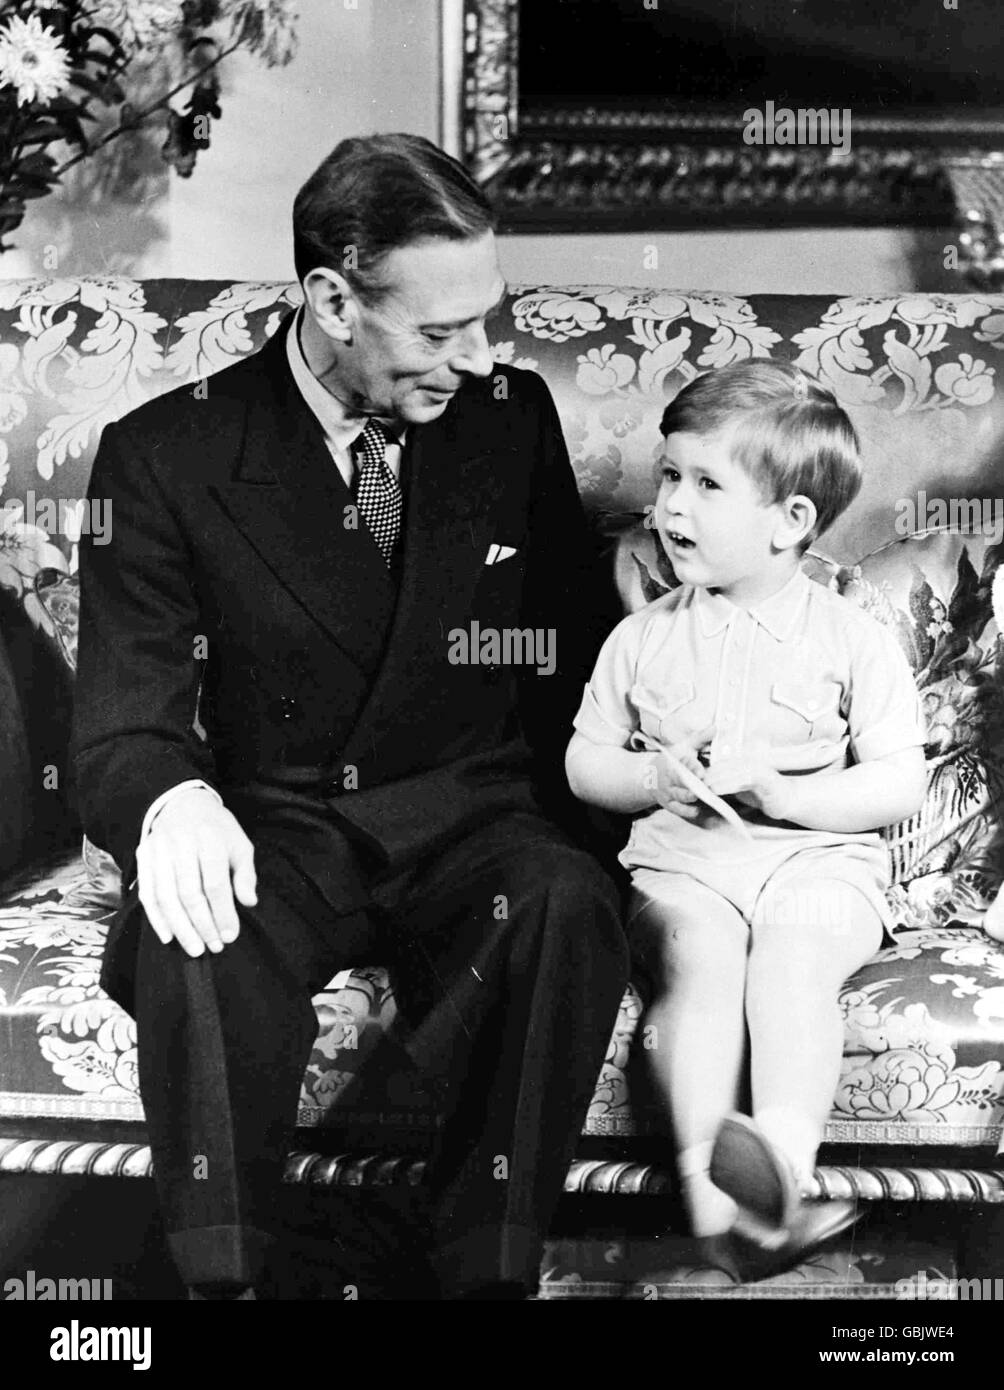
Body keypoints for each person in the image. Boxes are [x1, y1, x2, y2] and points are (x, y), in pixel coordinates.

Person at [72, 133, 630, 1300]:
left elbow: (574, 651)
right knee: (193, 929)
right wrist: (171, 799)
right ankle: (227, 1285)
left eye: (488, 318)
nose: (477, 359)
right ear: (330, 297)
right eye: (438, 332)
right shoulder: (165, 456)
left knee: (564, 901)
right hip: (280, 825)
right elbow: (124, 718)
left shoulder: (508, 415)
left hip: (472, 813)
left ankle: (479, 1274)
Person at [565, 360, 928, 1280]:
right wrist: (653, 776)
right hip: (686, 866)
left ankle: (781, 1177)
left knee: (795, 956)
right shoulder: (640, 635)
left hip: (817, 865)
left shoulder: (853, 637)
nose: (670, 508)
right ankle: (707, 1195)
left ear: (791, 523)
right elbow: (583, 763)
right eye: (667, 477)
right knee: (699, 962)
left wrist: (793, 796)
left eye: (706, 485)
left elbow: (898, 782)